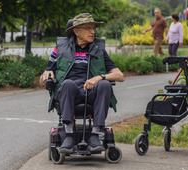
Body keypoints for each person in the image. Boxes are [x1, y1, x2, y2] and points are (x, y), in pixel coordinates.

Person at [40, 13, 125, 153]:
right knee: (67, 84)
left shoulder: (99, 49)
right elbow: (45, 74)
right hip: (69, 92)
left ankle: (95, 133)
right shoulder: (60, 48)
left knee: (104, 85)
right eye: (88, 28)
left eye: (93, 28)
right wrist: (46, 75)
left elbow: (120, 76)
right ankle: (69, 134)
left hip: (91, 91)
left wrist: (99, 77)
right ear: (76, 31)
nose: (93, 32)